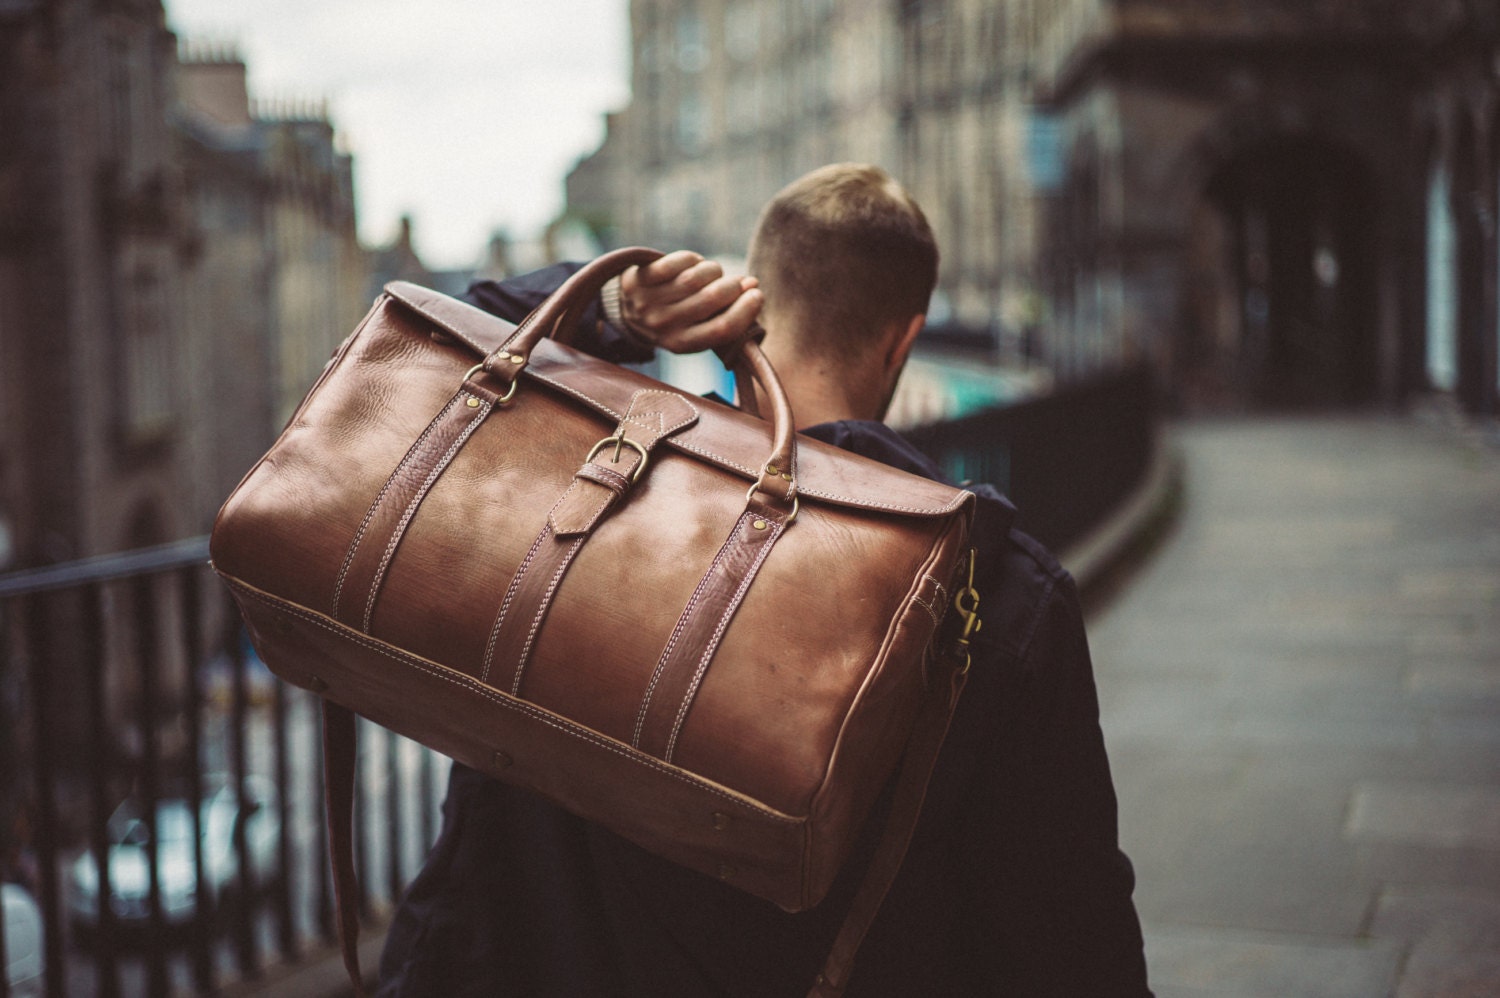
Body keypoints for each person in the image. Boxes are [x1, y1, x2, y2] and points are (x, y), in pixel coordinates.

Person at [377, 164, 1152, 996]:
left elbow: (409, 373)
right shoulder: (1000, 591)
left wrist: (612, 310)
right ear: (904, 339)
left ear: (751, 305)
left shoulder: (591, 497)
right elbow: (1072, 928)